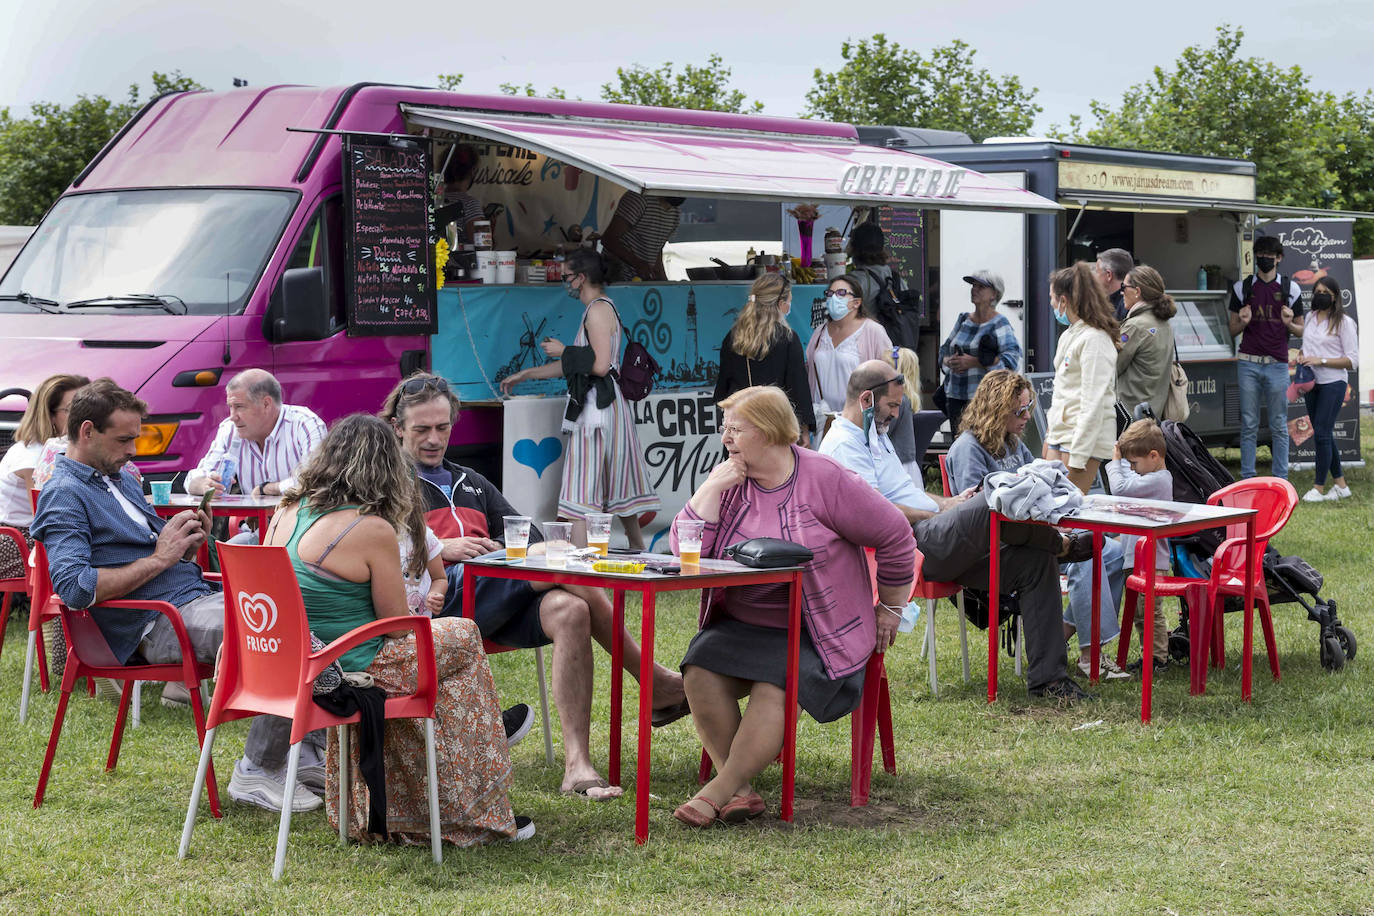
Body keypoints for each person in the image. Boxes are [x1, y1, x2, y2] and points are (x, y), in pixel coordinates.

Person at [383, 372, 688, 800]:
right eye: (422, 430)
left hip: (491, 600)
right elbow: (374, 547)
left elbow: (533, 541)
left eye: (443, 427)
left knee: (571, 608)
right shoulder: (386, 483)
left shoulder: (470, 480)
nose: (434, 439)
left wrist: (506, 549)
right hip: (436, 602)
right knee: (561, 567)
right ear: (398, 428)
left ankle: (578, 768)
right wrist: (440, 546)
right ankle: (653, 680)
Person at [28, 378, 324, 814]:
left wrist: (184, 541)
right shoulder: (64, 493)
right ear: (87, 431)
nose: (134, 451)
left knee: (303, 610)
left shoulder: (120, 479)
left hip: (187, 600)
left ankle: (303, 754)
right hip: (148, 623)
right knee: (276, 634)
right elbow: (74, 589)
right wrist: (163, 557)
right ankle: (260, 768)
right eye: (125, 439)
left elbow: (150, 550)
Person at [263, 414, 533, 845]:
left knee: (439, 671)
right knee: (461, 639)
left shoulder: (286, 511)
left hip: (294, 660)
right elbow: (393, 626)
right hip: (351, 665)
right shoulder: (371, 528)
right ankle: (475, 804)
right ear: (387, 468)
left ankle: (412, 810)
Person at [669, 386, 915, 827]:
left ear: (766, 432)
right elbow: (685, 550)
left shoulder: (825, 478)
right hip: (743, 624)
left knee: (776, 683)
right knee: (699, 667)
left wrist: (891, 607)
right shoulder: (728, 481)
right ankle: (741, 788)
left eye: (735, 430)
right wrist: (710, 488)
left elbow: (896, 533)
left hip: (817, 630)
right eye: (724, 429)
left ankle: (719, 790)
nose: (726, 439)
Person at [947, 370, 1128, 680]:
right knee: (1086, 553)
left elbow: (1040, 484)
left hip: (1032, 535)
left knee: (1110, 551)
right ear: (995, 409)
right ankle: (1090, 656)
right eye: (1019, 411)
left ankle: (1062, 635)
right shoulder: (969, 448)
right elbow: (978, 513)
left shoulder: (1013, 443)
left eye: (1029, 407)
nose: (1028, 416)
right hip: (996, 549)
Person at [499, 248, 660, 550]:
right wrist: (528, 374)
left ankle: (580, 561)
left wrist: (564, 351)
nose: (566, 283)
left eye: (567, 277)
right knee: (616, 480)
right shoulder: (601, 308)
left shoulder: (597, 310)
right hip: (608, 407)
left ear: (581, 278)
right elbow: (581, 363)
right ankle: (634, 545)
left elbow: (598, 365)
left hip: (598, 409)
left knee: (581, 487)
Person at [818, 361, 967, 524]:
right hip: (909, 535)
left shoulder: (876, 433)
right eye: (892, 405)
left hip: (923, 526)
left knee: (982, 500)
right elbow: (874, 511)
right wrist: (935, 516)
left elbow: (905, 491)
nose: (896, 414)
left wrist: (947, 503)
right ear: (867, 400)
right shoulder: (845, 444)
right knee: (986, 504)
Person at [186, 369, 326, 512]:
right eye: (230, 407)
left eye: (239, 407)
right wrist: (203, 485)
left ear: (266, 404)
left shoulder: (304, 424)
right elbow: (194, 477)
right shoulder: (230, 429)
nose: (233, 416)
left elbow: (316, 480)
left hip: (302, 526)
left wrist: (268, 489)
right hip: (255, 529)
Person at [1229, 235, 1304, 480]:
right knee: (1249, 423)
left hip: (1277, 364)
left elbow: (1302, 330)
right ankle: (1248, 477)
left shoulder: (1290, 288)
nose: (1264, 260)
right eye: (1260, 255)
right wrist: (1243, 321)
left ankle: (1280, 478)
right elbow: (1231, 330)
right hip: (1249, 362)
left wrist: (1289, 323)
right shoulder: (1243, 288)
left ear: (1279, 258)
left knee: (1279, 424)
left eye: (1269, 256)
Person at [0, 374, 88, 579]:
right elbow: (47, 518)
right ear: (49, 415)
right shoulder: (33, 457)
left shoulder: (57, 448)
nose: (85, 415)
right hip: (16, 539)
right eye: (74, 409)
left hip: (31, 536)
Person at [1044, 263, 1120, 494]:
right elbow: (1062, 391)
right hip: (1061, 432)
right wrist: (1050, 436)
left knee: (1064, 512)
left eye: (1052, 298)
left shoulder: (1095, 339)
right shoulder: (1070, 334)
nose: (1051, 304)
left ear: (1064, 300)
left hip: (1081, 439)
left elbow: (1093, 402)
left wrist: (1078, 456)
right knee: (1046, 509)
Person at [1106, 420, 1174, 674]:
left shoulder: (1159, 479)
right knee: (1138, 614)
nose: (1132, 469)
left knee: (1149, 613)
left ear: (1154, 456)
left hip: (1151, 561)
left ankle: (1158, 659)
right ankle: (1151, 655)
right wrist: (1124, 461)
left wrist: (1116, 462)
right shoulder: (1148, 477)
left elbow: (1120, 488)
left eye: (1134, 463)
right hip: (1134, 559)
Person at [713, 273, 814, 441]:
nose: (789, 306)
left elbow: (722, 389)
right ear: (781, 304)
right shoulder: (787, 338)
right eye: (789, 301)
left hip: (739, 427)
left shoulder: (733, 337)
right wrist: (804, 429)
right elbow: (798, 387)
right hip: (775, 427)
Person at [1296, 276, 1358, 502]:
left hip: (1333, 383)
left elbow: (1352, 361)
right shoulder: (1311, 318)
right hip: (1312, 383)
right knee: (1323, 433)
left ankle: (1318, 488)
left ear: (1334, 297)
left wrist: (1320, 360)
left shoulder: (1344, 322)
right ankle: (1341, 486)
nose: (1320, 295)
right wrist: (1304, 357)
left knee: (1321, 433)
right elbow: (1307, 346)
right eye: (1317, 291)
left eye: (1325, 292)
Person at [805, 273, 893, 432]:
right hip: (823, 423)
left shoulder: (873, 332)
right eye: (830, 294)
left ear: (857, 302)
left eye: (841, 293)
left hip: (859, 424)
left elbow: (888, 376)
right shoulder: (820, 333)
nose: (833, 298)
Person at [937, 270, 1022, 432]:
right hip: (955, 397)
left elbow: (1012, 362)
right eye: (973, 285)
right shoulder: (963, 319)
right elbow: (943, 353)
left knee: (981, 447)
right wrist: (951, 362)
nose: (974, 289)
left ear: (994, 294)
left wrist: (975, 363)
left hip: (985, 401)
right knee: (959, 446)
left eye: (981, 286)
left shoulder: (999, 323)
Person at [1116, 265, 1177, 418]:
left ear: (1137, 291)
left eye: (1124, 286)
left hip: (1129, 417)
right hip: (1153, 415)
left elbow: (1112, 366)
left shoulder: (1135, 326)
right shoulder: (1164, 323)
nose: (1121, 291)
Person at [600, 191, 682, 282]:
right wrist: (637, 263)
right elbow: (608, 239)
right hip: (616, 278)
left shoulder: (675, 213)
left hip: (640, 282)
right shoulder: (639, 199)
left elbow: (657, 250)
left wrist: (664, 282)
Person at [433, 143, 485, 245]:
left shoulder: (433, 201)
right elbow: (480, 243)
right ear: (472, 171)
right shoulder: (470, 203)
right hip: (460, 260)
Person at [1094, 248, 1133, 322]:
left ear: (1109, 275)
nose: (1095, 277)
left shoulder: (1125, 306)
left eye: (1097, 272)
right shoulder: (1132, 300)